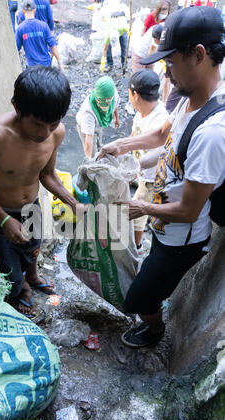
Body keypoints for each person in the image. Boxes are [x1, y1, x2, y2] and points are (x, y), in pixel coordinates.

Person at [98, 6, 225, 348]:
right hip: (165, 226)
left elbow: (187, 210)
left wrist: (142, 208)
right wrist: (121, 147)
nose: (165, 71)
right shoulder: (189, 99)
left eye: (171, 61)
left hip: (181, 241)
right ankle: (155, 299)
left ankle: (155, 331)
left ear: (198, 55)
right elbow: (159, 138)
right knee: (149, 278)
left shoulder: (213, 132)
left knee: (136, 300)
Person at [0, 66, 81, 318]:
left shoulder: (55, 134)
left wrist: (74, 203)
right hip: (1, 213)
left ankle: (34, 275)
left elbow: (47, 174)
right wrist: (4, 219)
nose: (44, 133)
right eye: (38, 124)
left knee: (33, 250)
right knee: (10, 275)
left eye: (53, 124)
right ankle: (23, 289)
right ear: (18, 108)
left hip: (33, 209)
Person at [127, 70, 169, 253]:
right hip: (140, 172)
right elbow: (133, 135)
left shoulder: (160, 119)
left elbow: (161, 153)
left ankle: (137, 247)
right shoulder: (141, 111)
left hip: (153, 178)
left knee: (137, 212)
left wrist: (134, 166)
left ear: (135, 95)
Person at [76, 76, 120, 158]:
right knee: (93, 153)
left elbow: (115, 105)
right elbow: (89, 140)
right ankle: (95, 164)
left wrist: (116, 118)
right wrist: (89, 162)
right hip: (85, 127)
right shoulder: (88, 112)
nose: (106, 104)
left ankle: (99, 157)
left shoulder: (113, 94)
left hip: (99, 122)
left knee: (100, 146)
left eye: (108, 100)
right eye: (102, 101)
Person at [15, 0, 62, 69]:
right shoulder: (44, 26)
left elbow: (16, 49)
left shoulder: (20, 29)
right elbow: (52, 45)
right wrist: (59, 61)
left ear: (23, 11)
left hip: (32, 67)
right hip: (46, 65)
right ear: (34, 10)